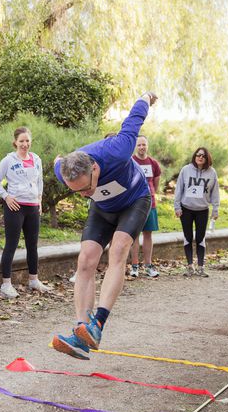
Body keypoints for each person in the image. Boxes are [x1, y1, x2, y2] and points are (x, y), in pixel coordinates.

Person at [51, 91, 157, 360]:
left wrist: (146, 97)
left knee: (119, 249)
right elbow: (58, 165)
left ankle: (98, 324)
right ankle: (81, 332)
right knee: (85, 259)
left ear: (95, 169)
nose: (83, 194)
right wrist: (86, 191)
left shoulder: (118, 150)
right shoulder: (65, 170)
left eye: (86, 188)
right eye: (77, 192)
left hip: (135, 200)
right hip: (104, 208)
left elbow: (134, 119)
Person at [0, 127, 51, 298]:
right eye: (21, 141)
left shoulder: (36, 159)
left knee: (32, 245)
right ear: (15, 142)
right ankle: (6, 285)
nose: (25, 144)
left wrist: (39, 200)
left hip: (32, 206)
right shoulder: (8, 160)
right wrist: (6, 197)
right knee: (11, 244)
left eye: (27, 141)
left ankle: (34, 280)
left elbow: (39, 181)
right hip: (15, 208)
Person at [173, 147, 220, 277]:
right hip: (186, 209)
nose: (200, 157)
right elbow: (179, 189)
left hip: (202, 210)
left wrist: (215, 209)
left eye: (203, 156)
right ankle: (189, 266)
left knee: (200, 238)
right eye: (198, 155)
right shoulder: (186, 170)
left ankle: (201, 267)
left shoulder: (212, 173)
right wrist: (177, 207)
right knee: (188, 238)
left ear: (207, 158)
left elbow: (215, 192)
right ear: (194, 156)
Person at [128, 135, 162, 278]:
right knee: (134, 235)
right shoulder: (130, 161)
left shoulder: (153, 163)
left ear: (147, 146)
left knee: (148, 234)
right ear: (135, 147)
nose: (142, 147)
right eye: (139, 145)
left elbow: (155, 183)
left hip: (150, 204)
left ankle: (148, 266)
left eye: (144, 145)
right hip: (134, 204)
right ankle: (134, 266)